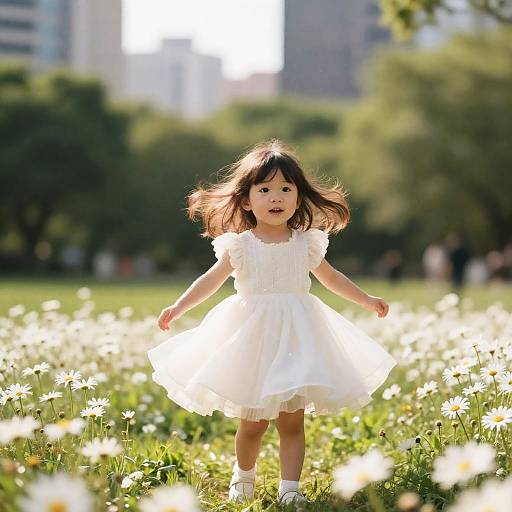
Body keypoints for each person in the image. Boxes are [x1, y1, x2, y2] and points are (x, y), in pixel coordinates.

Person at [148, 140, 397, 505]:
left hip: (298, 338)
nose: (275, 197)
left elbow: (331, 278)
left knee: (292, 422)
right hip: (253, 341)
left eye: (285, 188)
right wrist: (179, 306)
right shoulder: (239, 245)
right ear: (247, 200)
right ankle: (243, 477)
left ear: (298, 197)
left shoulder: (306, 243)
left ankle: (290, 490)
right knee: (252, 423)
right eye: (264, 189)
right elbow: (211, 280)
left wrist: (366, 299)